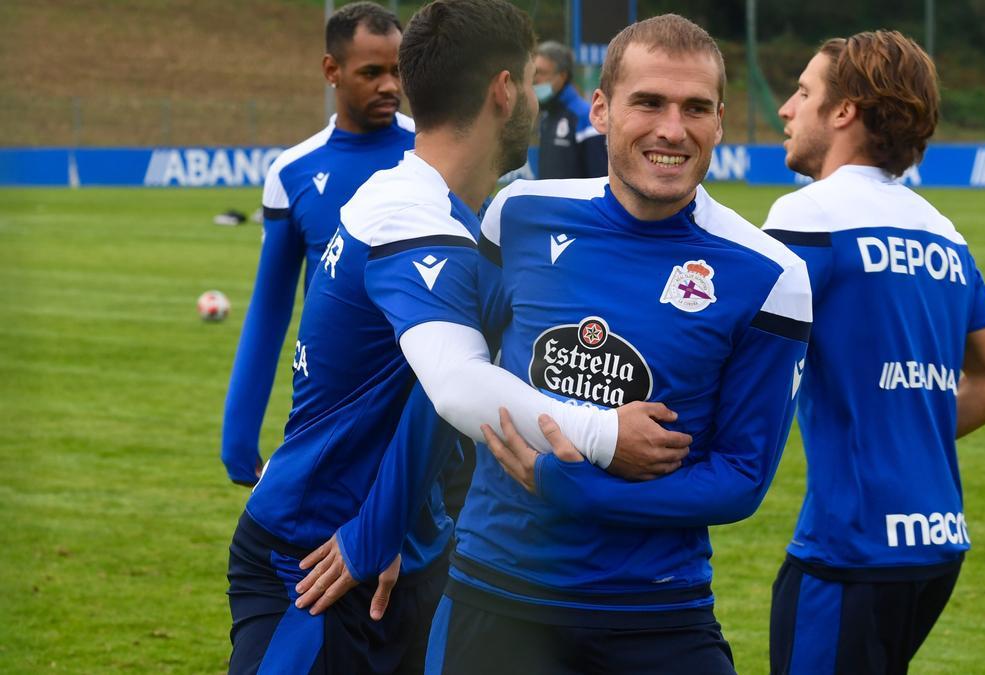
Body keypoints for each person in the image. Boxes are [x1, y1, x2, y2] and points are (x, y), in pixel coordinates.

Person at [225, 1, 689, 673]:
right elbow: (456, 385)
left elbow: (420, 399)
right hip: (310, 559)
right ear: (505, 89)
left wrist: (386, 524)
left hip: (401, 551)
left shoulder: (465, 214)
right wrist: (607, 434)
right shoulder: (408, 213)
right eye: (530, 78)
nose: (534, 96)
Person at [425, 15, 813, 675]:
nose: (672, 128)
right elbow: (451, 381)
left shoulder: (772, 275)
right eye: (649, 102)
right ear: (602, 109)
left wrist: (575, 488)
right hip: (497, 594)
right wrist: (390, 533)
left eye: (696, 108)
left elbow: (741, 478)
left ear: (720, 120)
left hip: (657, 611)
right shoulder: (516, 217)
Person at [761, 30, 985, 675]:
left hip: (850, 548)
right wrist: (904, 431)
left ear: (844, 111)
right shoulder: (945, 235)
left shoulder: (807, 216)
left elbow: (740, 362)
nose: (785, 110)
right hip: (936, 542)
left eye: (802, 92)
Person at [221, 1, 414, 488]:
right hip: (334, 410)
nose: (390, 86)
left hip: (425, 405)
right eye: (371, 72)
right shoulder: (292, 172)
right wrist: (239, 439)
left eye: (397, 71)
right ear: (332, 70)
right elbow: (270, 307)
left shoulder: (434, 150)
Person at [533, 40, 607, 179]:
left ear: (562, 76)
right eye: (534, 73)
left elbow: (599, 179)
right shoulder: (547, 115)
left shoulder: (585, 117)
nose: (536, 79)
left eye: (542, 73)